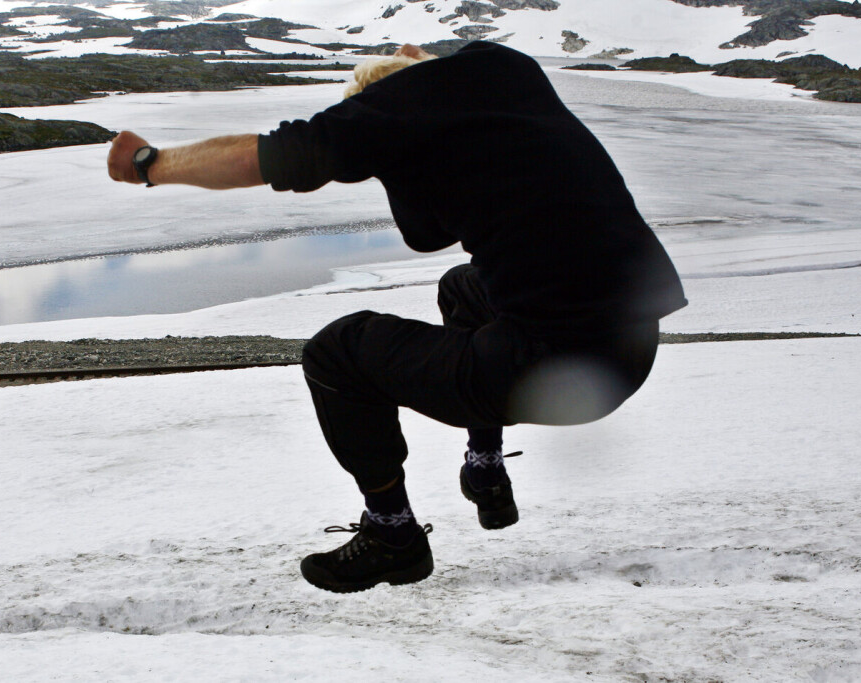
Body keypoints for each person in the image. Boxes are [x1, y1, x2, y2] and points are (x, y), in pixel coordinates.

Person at [106, 41, 687, 593]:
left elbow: (256, 157)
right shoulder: (503, 67)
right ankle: (484, 466)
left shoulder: (381, 120)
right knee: (464, 288)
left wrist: (146, 162)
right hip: (634, 339)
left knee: (337, 351)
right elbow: (430, 235)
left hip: (553, 369)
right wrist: (409, 151)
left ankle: (393, 534)